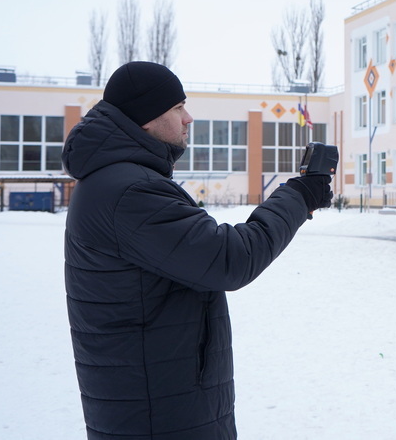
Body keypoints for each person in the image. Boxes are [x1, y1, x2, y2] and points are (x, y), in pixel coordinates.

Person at [62, 61, 332, 439]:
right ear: (146, 118)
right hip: (158, 413)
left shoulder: (118, 179)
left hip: (157, 398)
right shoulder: (129, 191)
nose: (188, 118)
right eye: (177, 108)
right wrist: (299, 196)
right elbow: (229, 259)